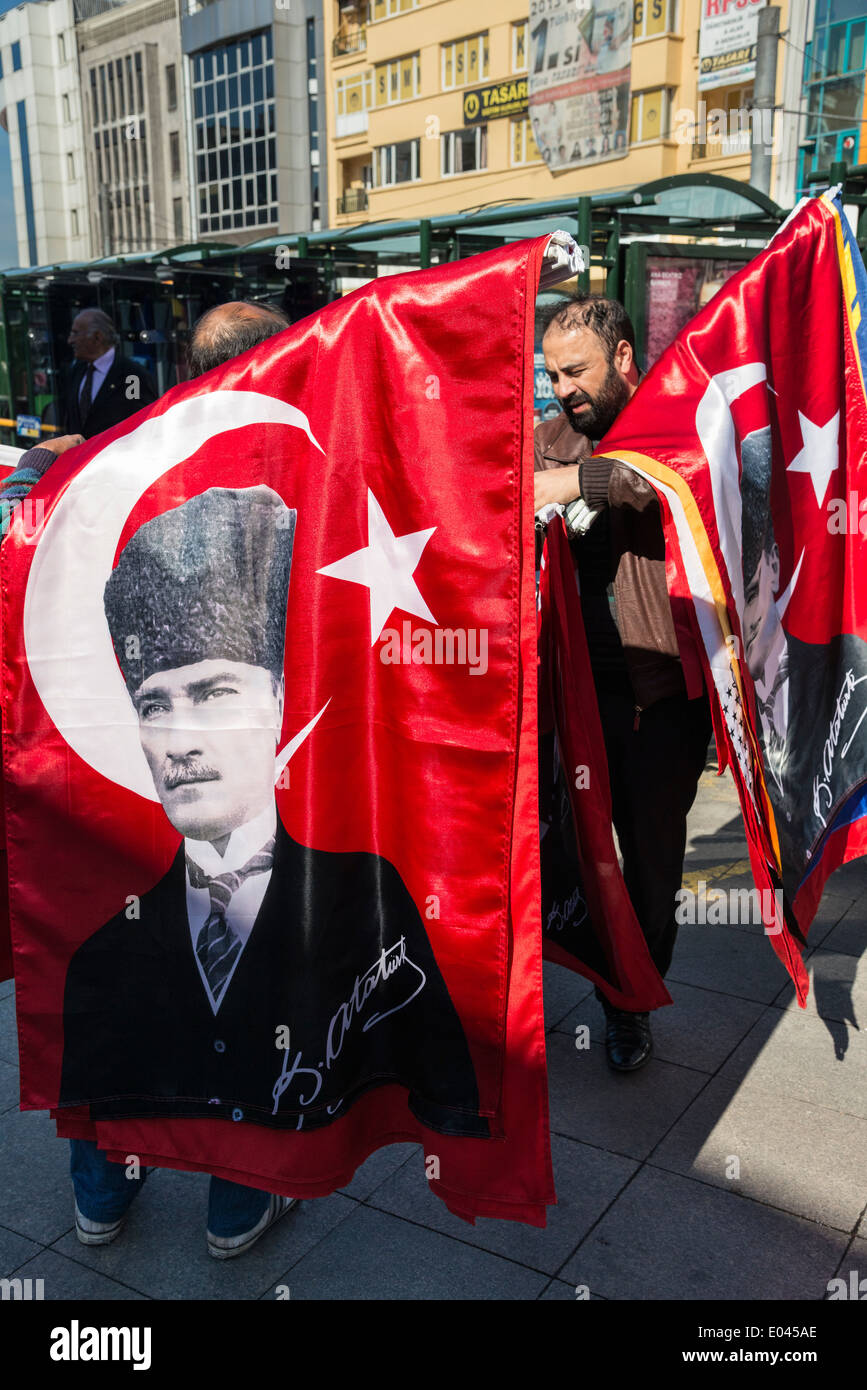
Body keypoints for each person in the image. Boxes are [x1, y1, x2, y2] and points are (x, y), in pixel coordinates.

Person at [49, 300, 482, 1260]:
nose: (184, 736)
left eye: (215, 694)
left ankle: (107, 1188)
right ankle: (235, 1199)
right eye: (156, 704)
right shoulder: (331, 472)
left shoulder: (122, 464)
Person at [533, 293, 712, 1072]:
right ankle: (577, 975)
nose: (564, 388)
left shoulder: (670, 424)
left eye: (576, 370)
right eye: (551, 374)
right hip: (565, 689)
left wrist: (563, 487)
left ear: (625, 359)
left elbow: (646, 480)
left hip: (658, 698)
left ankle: (629, 1003)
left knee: (650, 860)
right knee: (559, 849)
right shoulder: (546, 437)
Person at [63, 310, 158, 439]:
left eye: (75, 333)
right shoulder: (76, 371)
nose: (70, 340)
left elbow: (142, 423)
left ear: (97, 337)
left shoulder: (132, 376)